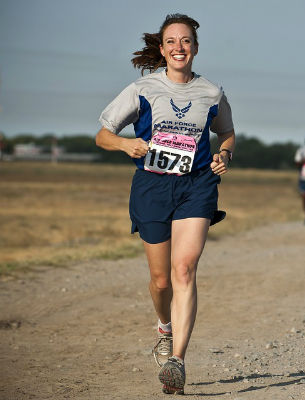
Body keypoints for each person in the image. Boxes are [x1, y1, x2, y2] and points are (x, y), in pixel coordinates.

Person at [95, 14, 235, 395]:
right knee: (161, 281)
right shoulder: (142, 88)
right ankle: (164, 327)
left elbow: (227, 131)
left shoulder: (212, 92)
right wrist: (125, 144)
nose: (179, 47)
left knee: (184, 270)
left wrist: (225, 153)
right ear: (162, 48)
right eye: (172, 41)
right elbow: (102, 135)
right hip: (152, 187)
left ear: (196, 47)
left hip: (197, 185)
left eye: (186, 41)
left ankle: (178, 361)